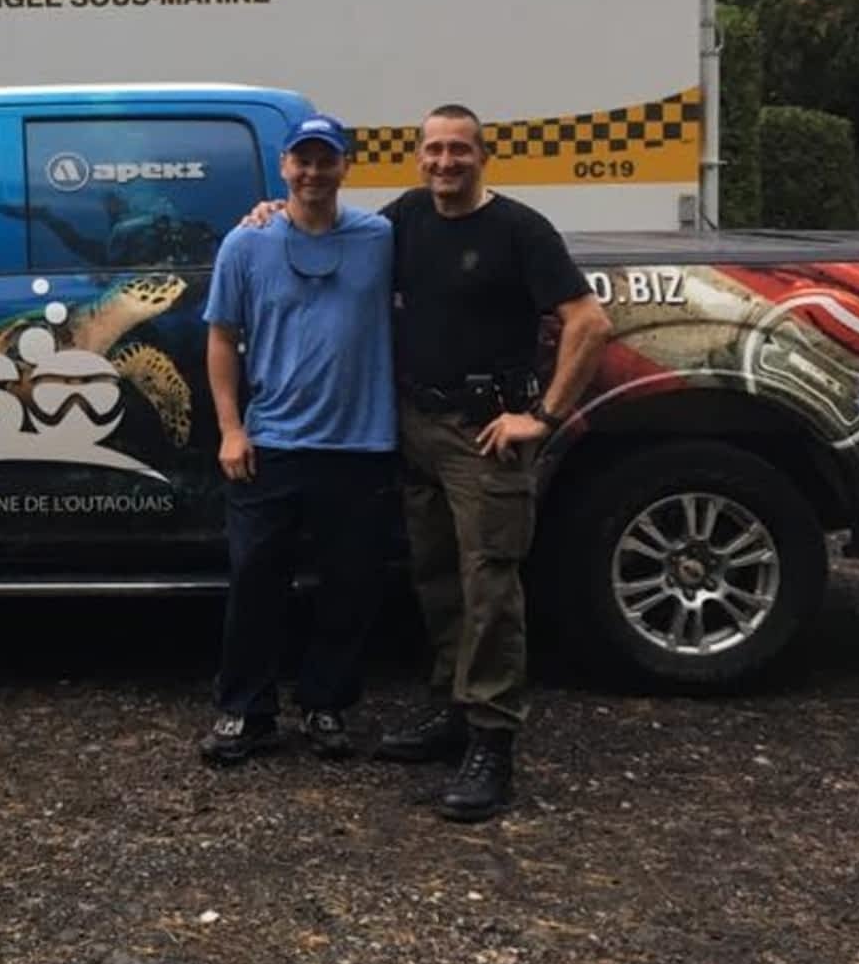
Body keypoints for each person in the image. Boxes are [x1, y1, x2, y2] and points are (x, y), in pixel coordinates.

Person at [371, 105, 612, 823]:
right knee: (438, 576)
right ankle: (453, 713)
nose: (445, 162)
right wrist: (270, 214)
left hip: (487, 435)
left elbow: (589, 322)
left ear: (484, 156)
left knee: (490, 586)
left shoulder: (519, 230)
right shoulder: (405, 218)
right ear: (418, 158)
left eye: (458, 150)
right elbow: (333, 238)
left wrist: (543, 417)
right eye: (434, 150)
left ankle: (492, 743)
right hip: (418, 425)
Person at [199, 113, 398, 766]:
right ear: (283, 166)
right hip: (273, 441)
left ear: (346, 167)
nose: (313, 172)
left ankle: (326, 706)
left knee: (350, 587)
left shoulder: (382, 238)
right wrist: (231, 428)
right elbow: (222, 338)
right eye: (302, 161)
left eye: (326, 160)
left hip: (361, 446)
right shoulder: (245, 244)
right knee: (256, 580)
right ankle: (244, 711)